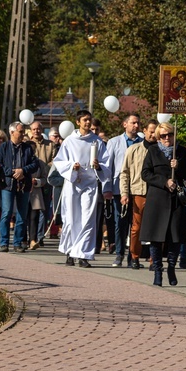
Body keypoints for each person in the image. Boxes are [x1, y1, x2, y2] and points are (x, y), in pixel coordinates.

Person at [53, 110, 112, 267]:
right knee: (71, 219)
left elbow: (106, 164)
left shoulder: (97, 142)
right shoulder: (69, 141)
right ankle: (70, 252)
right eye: (85, 120)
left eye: (89, 120)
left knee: (87, 220)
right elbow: (59, 162)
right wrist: (72, 166)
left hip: (89, 184)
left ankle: (83, 255)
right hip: (73, 183)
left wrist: (99, 166)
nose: (88, 123)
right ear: (78, 122)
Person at [139, 122, 186, 286]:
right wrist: (164, 181)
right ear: (158, 137)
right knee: (156, 238)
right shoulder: (153, 151)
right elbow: (145, 173)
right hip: (157, 199)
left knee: (175, 237)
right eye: (163, 135)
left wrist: (179, 168)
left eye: (169, 134)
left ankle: (171, 267)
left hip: (175, 200)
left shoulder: (182, 152)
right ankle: (157, 270)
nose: (167, 138)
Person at [0, 121, 40, 252]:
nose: (23, 134)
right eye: (20, 131)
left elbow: (35, 164)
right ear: (12, 132)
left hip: (23, 185)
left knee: (22, 214)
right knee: (6, 213)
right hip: (8, 185)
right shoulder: (3, 147)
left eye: (23, 131)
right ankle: (3, 242)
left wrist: (23, 171)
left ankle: (18, 243)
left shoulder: (27, 148)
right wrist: (12, 172)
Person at [104, 114, 142, 267]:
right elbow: (108, 167)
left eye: (138, 123)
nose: (136, 126)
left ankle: (133, 256)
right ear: (125, 124)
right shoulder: (114, 142)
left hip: (137, 187)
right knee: (120, 222)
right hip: (118, 188)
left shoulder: (142, 142)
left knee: (135, 223)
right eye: (133, 123)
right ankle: (119, 253)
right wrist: (107, 188)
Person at [120, 118, 157, 269]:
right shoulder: (133, 150)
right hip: (138, 192)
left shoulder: (161, 151)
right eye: (151, 131)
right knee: (136, 228)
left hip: (156, 193)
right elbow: (124, 173)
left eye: (156, 132)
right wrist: (124, 193)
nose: (154, 135)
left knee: (156, 227)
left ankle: (154, 259)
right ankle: (134, 256)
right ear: (145, 131)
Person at [28, 120, 57, 249]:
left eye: (38, 129)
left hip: (45, 181)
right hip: (31, 181)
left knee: (43, 210)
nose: (36, 131)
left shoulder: (50, 145)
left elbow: (55, 160)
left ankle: (40, 236)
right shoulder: (27, 144)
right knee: (31, 211)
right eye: (34, 129)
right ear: (30, 130)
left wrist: (45, 168)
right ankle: (31, 236)